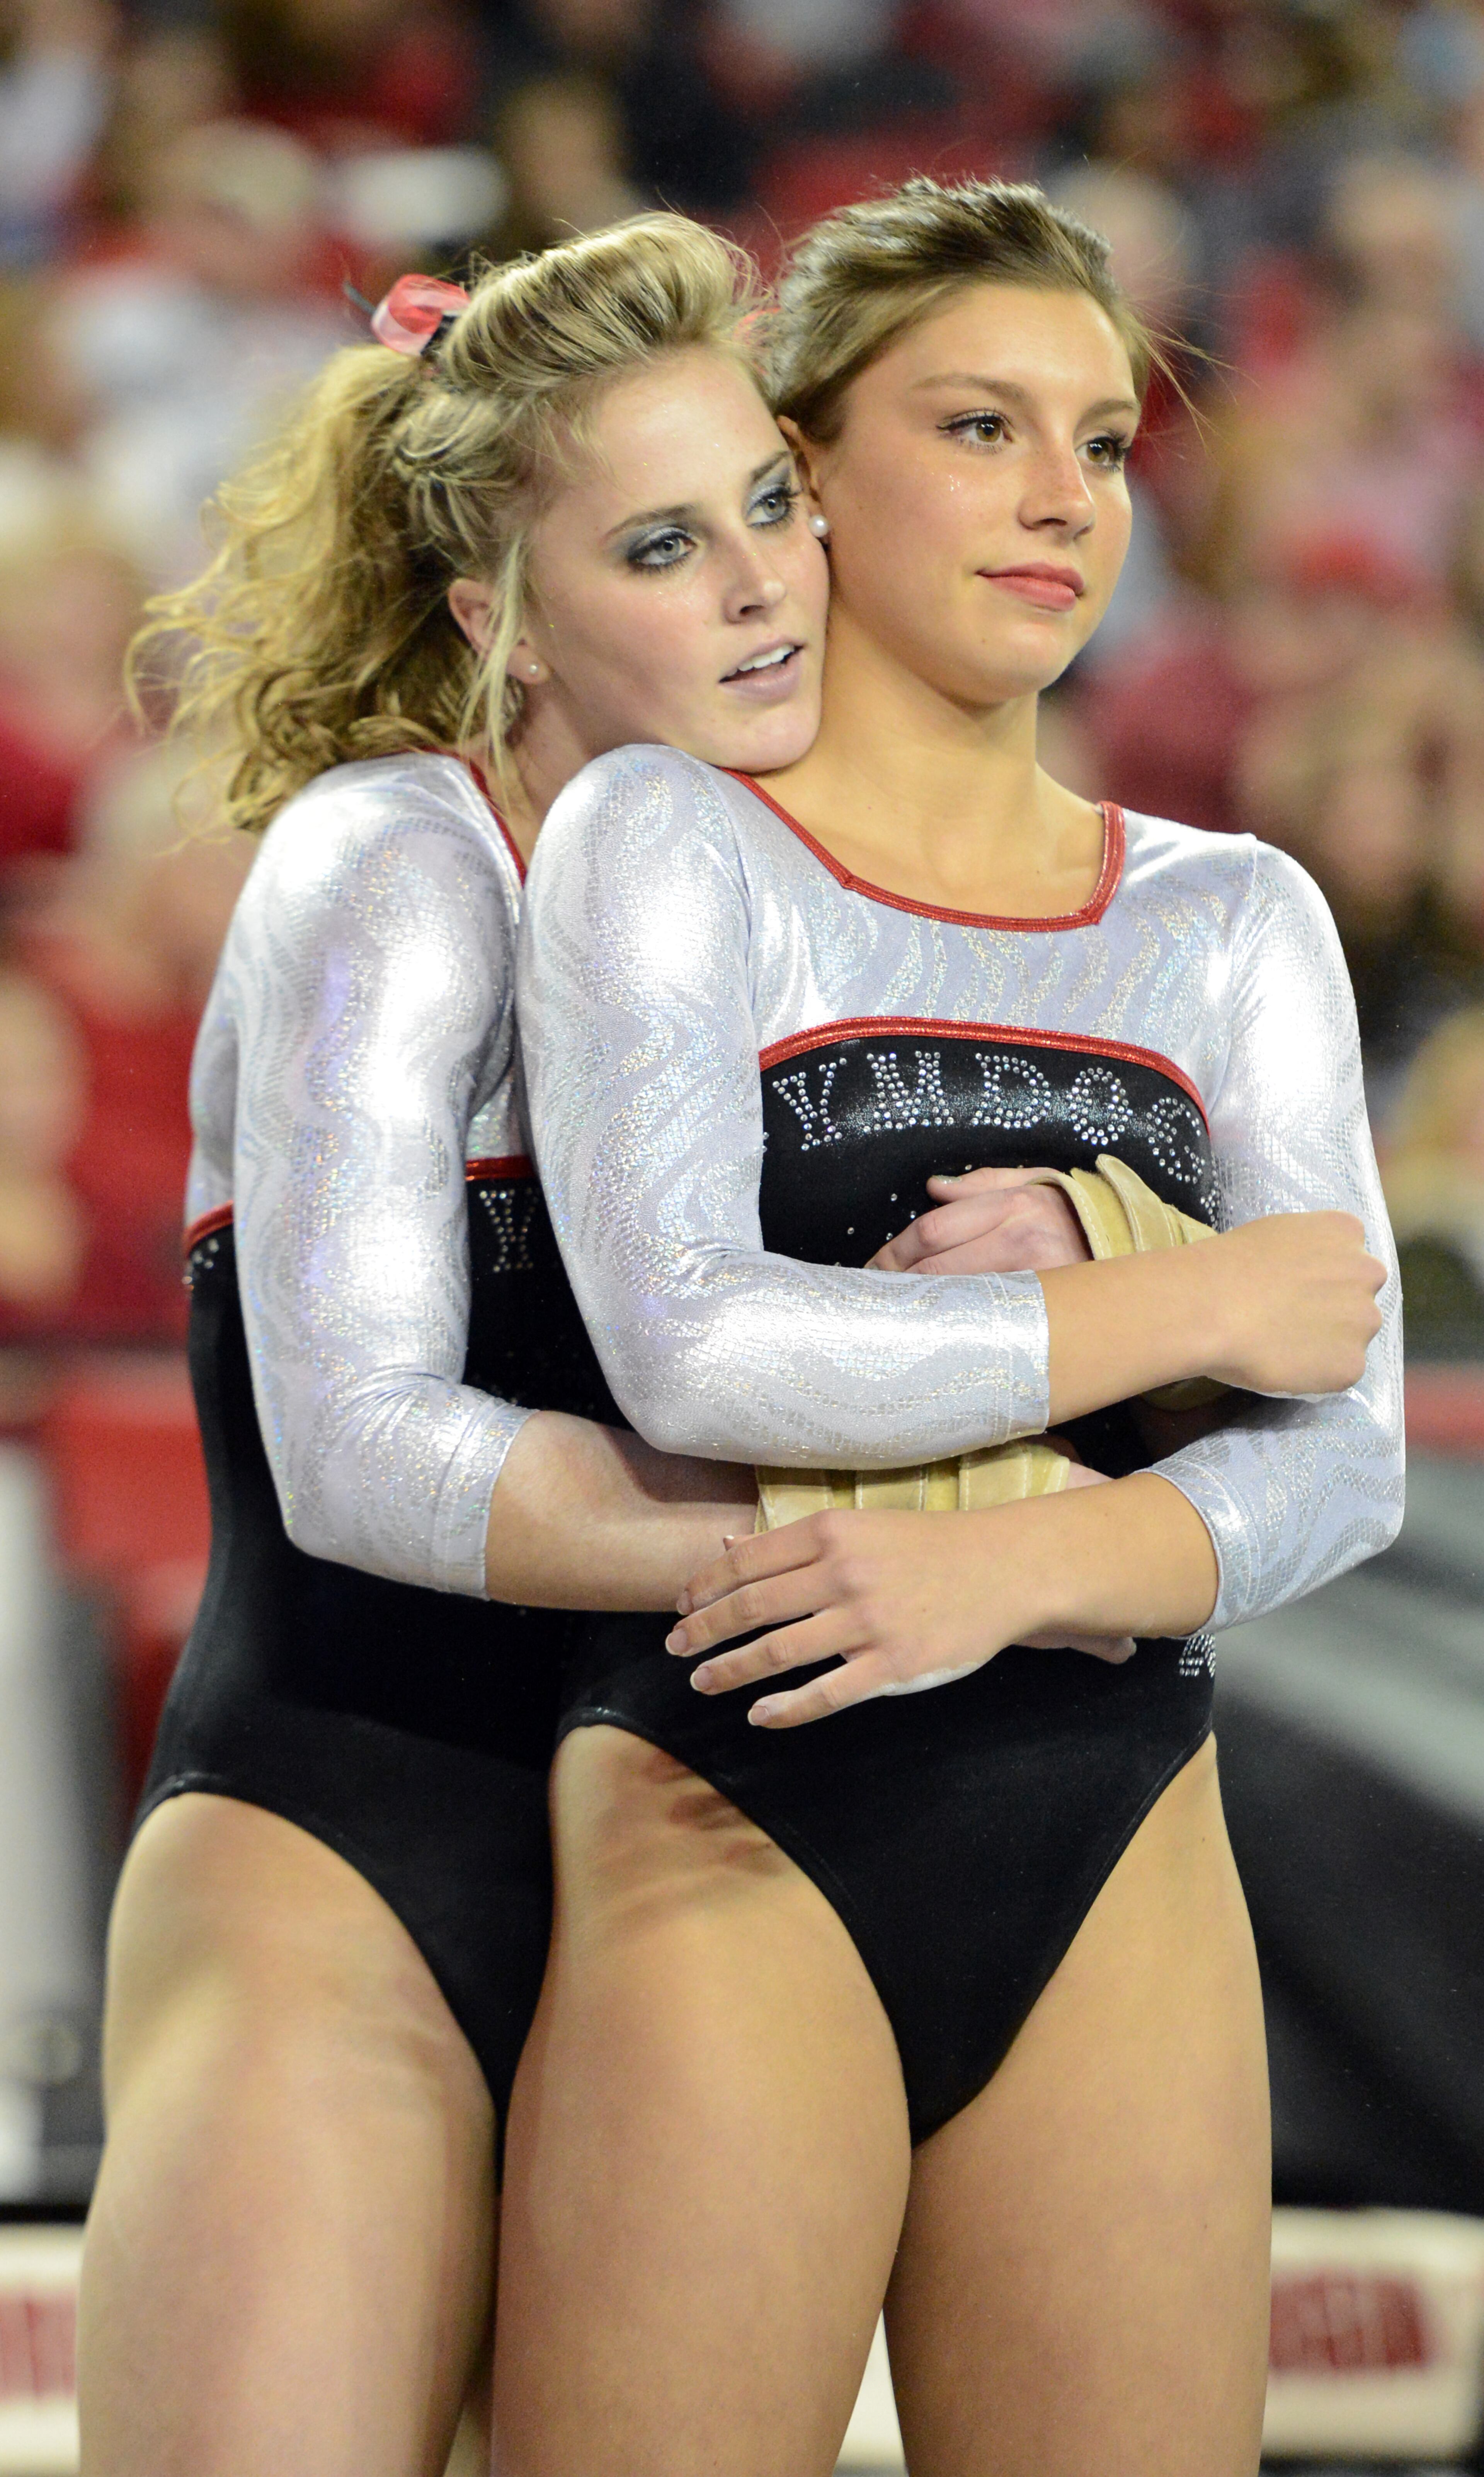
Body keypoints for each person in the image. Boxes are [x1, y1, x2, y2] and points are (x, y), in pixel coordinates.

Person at [506, 178, 1400, 2477]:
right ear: (798, 474)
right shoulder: (669, 846)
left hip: (1117, 1816)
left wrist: (995, 1567)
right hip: (738, 1790)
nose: (1060, 497)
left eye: (1100, 444)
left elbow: (1351, 1454)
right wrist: (1187, 1290)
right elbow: (698, 1345)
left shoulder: (1232, 915)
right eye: (982, 425)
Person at [76, 215, 827, 2477]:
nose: (764, 587)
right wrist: (856, 1523)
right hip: (357, 1848)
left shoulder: (839, 890)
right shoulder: (393, 864)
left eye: (774, 504)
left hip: (720, 1893)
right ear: (497, 613)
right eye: (667, 545)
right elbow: (364, 1454)